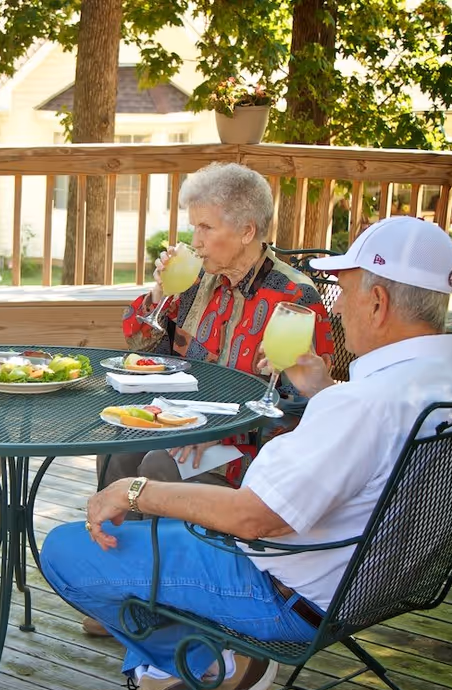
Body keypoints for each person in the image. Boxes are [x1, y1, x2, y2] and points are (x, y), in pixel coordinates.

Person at [41, 216, 452, 690]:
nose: (338, 308)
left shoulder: (367, 404)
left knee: (66, 548)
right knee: (142, 515)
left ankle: (209, 665)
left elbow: (253, 517)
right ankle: (186, 667)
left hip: (280, 592)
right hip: (377, 585)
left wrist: (133, 492)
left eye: (345, 293)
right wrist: (324, 390)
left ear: (379, 303)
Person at [104, 162, 334, 492]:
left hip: (252, 446)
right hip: (181, 421)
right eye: (193, 227)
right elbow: (139, 347)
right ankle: (112, 542)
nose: (195, 241)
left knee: (159, 465)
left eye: (206, 228)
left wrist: (217, 434)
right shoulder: (194, 280)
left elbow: (304, 409)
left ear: (246, 231)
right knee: (119, 450)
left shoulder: (295, 297)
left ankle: (168, 544)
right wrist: (159, 293)